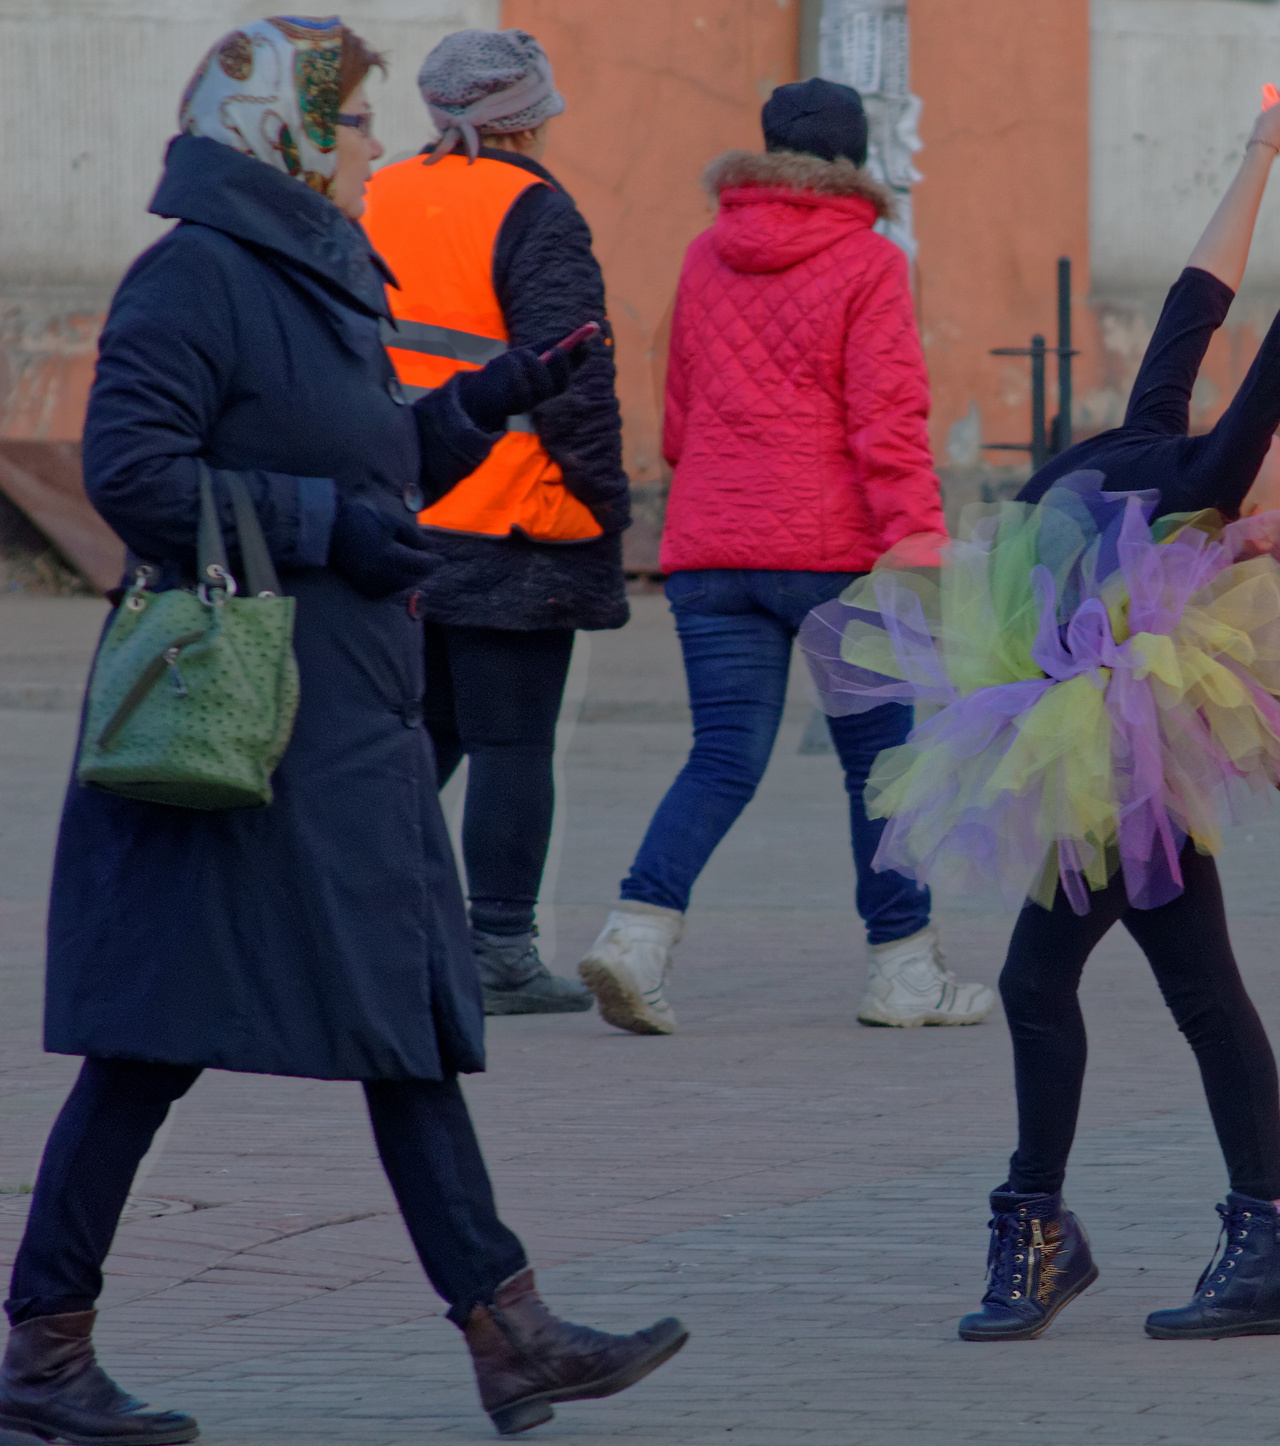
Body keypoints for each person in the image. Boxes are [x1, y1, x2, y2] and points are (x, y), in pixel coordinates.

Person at [0, 21, 683, 1443]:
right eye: (358, 120)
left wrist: (492, 398)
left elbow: (364, 457)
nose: (379, 142)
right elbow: (133, 473)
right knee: (161, 1038)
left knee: (397, 1012)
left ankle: (509, 1332)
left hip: (341, 713)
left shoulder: (317, 274)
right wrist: (328, 530)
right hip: (243, 725)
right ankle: (47, 1351)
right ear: (286, 131)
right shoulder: (198, 274)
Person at [801, 86, 1280, 1343]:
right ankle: (1253, 1242)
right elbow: (1200, 301)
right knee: (1191, 990)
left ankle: (1065, 1233)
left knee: (1055, 980)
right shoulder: (1164, 440)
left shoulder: (1206, 477)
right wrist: (1261, 146)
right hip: (1088, 730)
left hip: (1108, 744)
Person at [577, 78, 993, 1035]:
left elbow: (679, 406)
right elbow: (889, 416)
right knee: (879, 768)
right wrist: (916, 536)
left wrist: (712, 489)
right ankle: (904, 971)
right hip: (834, 554)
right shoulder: (871, 259)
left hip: (710, 544)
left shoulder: (705, 252)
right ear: (854, 159)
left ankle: (636, 937)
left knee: (722, 754)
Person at [362, 28, 630, 1017]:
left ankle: (348, 913)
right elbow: (571, 371)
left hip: (397, 507)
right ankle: (501, 951)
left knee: (426, 730)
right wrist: (607, 503)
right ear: (529, 115)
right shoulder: (536, 209)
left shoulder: (375, 192)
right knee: (512, 743)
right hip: (514, 514)